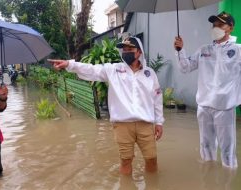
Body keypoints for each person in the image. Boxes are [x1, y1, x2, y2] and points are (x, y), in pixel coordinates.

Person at [48, 36, 164, 175]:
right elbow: (92, 69)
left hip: (145, 123)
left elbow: (157, 97)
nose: (125, 52)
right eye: (124, 49)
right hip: (122, 125)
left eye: (130, 49)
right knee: (126, 161)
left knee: (151, 159)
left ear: (139, 52)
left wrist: (159, 122)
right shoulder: (114, 70)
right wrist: (69, 64)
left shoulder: (149, 73)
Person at [174, 12, 239, 169]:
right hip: (204, 107)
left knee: (227, 151)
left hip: (225, 108)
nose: (216, 28)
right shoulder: (204, 50)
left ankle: (227, 179)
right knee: (206, 146)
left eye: (220, 25)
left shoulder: (238, 50)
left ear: (230, 28)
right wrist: (179, 50)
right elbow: (185, 67)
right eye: (214, 25)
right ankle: (208, 177)